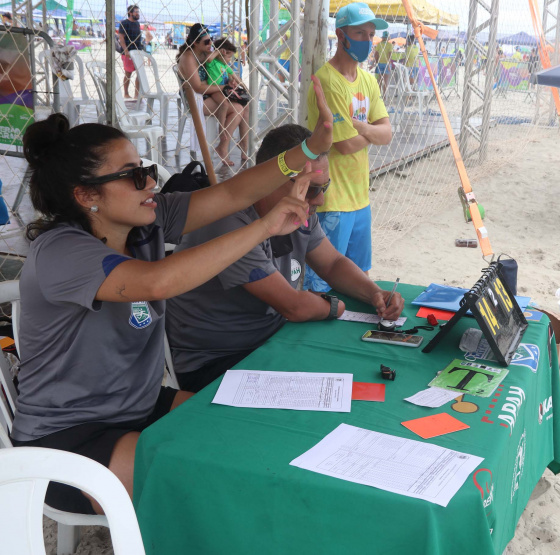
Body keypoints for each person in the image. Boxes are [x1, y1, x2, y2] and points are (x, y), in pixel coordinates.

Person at [8, 88, 332, 514]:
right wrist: (266, 226)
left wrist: (306, 151)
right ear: (86, 196)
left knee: (253, 436)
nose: (150, 181)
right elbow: (158, 283)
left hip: (140, 405)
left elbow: (234, 195)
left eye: (145, 168)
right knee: (214, 486)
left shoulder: (146, 223)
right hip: (69, 439)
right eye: (132, 175)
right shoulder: (61, 251)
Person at [166, 124, 405, 392]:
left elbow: (333, 263)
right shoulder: (229, 221)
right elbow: (295, 307)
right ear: (273, 179)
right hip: (216, 359)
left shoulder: (297, 209)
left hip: (272, 338)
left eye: (324, 186)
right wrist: (333, 305)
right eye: (312, 189)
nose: (321, 199)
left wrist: (374, 293)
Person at [305, 2, 392, 293]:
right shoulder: (328, 80)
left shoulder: (368, 79)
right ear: (341, 35)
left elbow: (388, 133)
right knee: (322, 284)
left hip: (360, 197)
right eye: (361, 33)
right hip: (333, 201)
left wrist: (364, 128)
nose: (368, 40)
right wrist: (373, 131)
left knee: (361, 279)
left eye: (371, 34)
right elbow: (344, 145)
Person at [176, 23, 234, 167]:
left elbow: (222, 68)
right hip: (194, 99)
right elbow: (198, 87)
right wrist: (224, 87)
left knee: (241, 107)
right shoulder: (188, 57)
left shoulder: (204, 53)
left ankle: (225, 147)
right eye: (206, 42)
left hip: (208, 94)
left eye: (211, 40)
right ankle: (222, 146)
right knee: (236, 109)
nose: (210, 44)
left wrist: (230, 78)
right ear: (195, 42)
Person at [206, 37, 250, 165]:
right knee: (224, 104)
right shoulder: (213, 62)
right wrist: (219, 51)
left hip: (226, 91)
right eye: (228, 56)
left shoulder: (225, 65)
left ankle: (243, 143)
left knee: (246, 105)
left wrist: (245, 89)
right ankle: (222, 132)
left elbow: (237, 78)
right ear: (222, 53)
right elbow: (209, 59)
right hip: (215, 90)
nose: (229, 60)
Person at [117, 5, 143, 99]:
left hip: (138, 51)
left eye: (138, 12)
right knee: (128, 73)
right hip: (128, 52)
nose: (137, 13)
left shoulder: (137, 24)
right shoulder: (124, 23)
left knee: (140, 73)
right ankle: (126, 93)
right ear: (130, 13)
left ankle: (137, 94)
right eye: (136, 12)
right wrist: (126, 50)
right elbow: (121, 38)